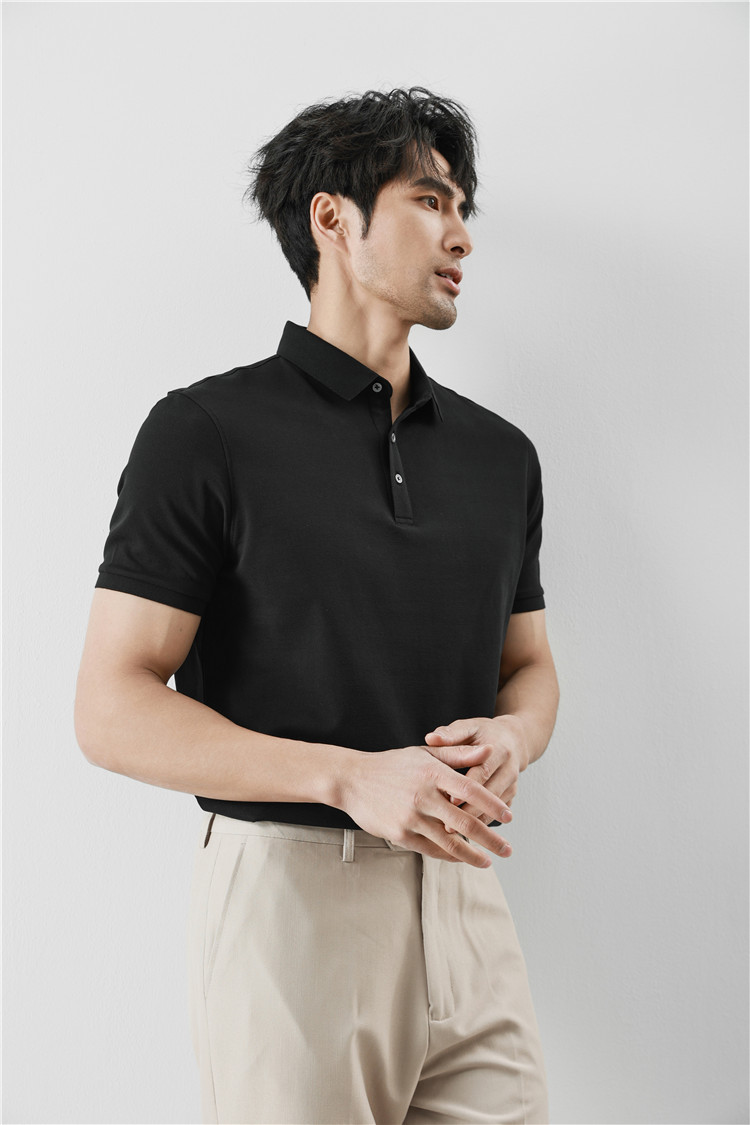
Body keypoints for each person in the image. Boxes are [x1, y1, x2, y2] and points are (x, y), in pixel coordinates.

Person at [74, 86, 560, 1125]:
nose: (462, 234)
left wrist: (516, 736)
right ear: (333, 218)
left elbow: (529, 667)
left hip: (467, 905)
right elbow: (110, 708)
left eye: (463, 207)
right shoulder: (206, 431)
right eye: (430, 200)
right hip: (292, 901)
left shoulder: (500, 455)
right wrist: (348, 777)